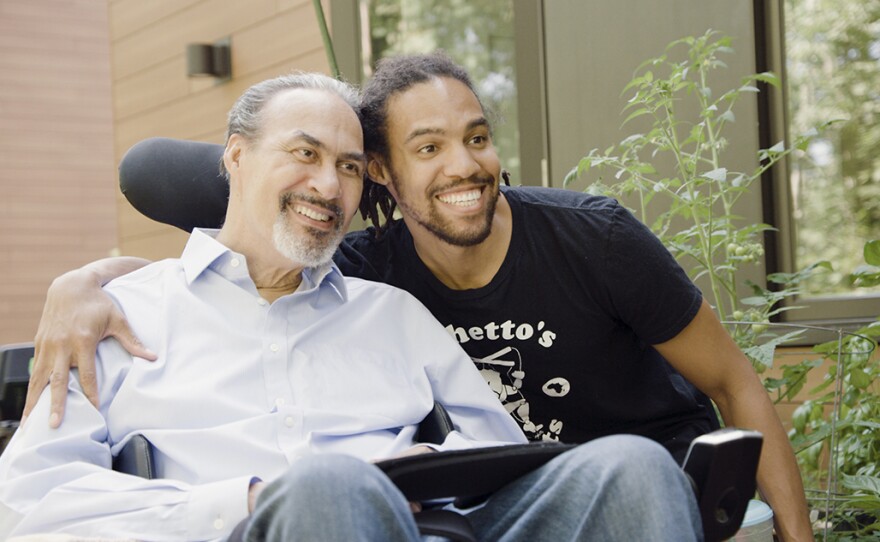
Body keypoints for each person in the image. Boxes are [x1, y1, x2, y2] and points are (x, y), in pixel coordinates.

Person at [23, 53, 812, 540]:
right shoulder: (126, 315)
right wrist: (246, 499)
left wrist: (428, 465)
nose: (328, 184)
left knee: (634, 470)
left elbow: (500, 456)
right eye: (303, 154)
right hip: (235, 529)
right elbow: (28, 501)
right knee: (329, 483)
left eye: (346, 166)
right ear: (233, 157)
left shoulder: (386, 303)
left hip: (434, 527)